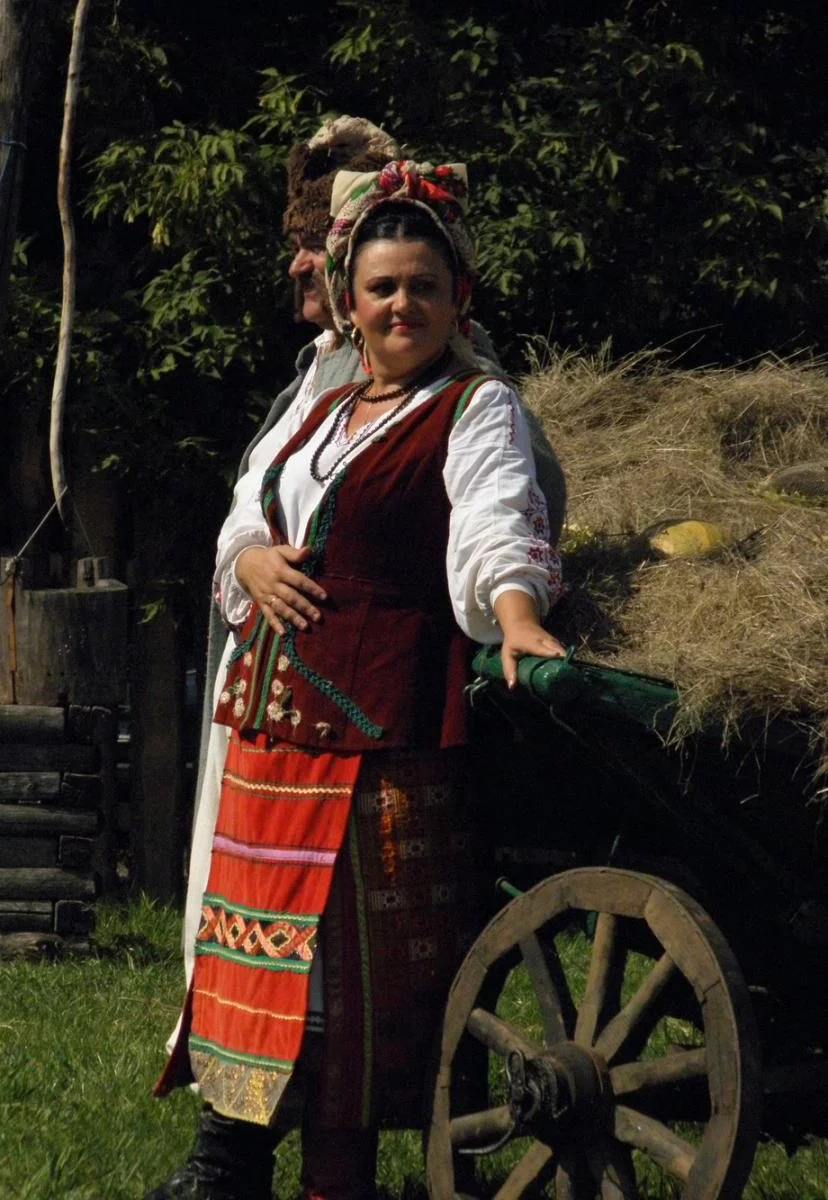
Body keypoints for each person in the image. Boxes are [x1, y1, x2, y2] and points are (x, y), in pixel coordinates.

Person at [153, 158, 565, 1200]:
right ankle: (232, 1168)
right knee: (260, 964)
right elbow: (248, 508)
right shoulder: (321, 411)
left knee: (352, 991)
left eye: (425, 286)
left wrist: (517, 615)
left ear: (460, 297)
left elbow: (496, 520)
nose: (402, 306)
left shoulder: (474, 408)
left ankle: (337, 1185)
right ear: (350, 298)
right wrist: (250, 559)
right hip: (269, 741)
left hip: (378, 737)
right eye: (382, 287)